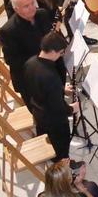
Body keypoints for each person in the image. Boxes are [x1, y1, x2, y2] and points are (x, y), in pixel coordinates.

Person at [23, 30, 76, 160]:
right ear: (52, 51)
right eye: (61, 52)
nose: (61, 56)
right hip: (54, 121)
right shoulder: (50, 76)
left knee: (51, 144)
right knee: (60, 149)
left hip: (39, 113)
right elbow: (58, 108)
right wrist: (72, 108)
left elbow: (39, 88)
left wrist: (61, 89)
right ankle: (64, 169)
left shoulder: (30, 63)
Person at [0, 0, 55, 101]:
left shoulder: (42, 14)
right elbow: (11, 60)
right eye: (26, 6)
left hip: (50, 69)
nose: (32, 8)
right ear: (16, 9)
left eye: (32, 3)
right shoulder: (8, 31)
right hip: (29, 78)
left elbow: (51, 37)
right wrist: (41, 57)